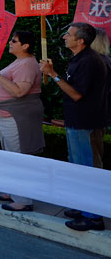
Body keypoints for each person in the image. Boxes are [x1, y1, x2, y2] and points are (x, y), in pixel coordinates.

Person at [40, 23, 108, 231]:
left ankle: (93, 216)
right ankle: (81, 206)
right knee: (77, 166)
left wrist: (53, 74)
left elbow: (77, 94)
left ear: (81, 41)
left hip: (85, 122)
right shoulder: (81, 59)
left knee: (86, 168)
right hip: (78, 121)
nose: (64, 37)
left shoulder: (89, 61)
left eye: (68, 35)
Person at [0, 30, 44, 212]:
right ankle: (12, 191)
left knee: (18, 157)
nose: (10, 43)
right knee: (10, 155)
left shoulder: (27, 64)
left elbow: (19, 92)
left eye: (14, 41)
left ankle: (23, 200)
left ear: (25, 46)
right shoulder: (21, 62)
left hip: (16, 117)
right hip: (6, 115)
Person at [88, 28, 111, 168]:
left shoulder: (96, 62)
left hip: (93, 114)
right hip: (101, 113)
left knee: (92, 153)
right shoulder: (105, 61)